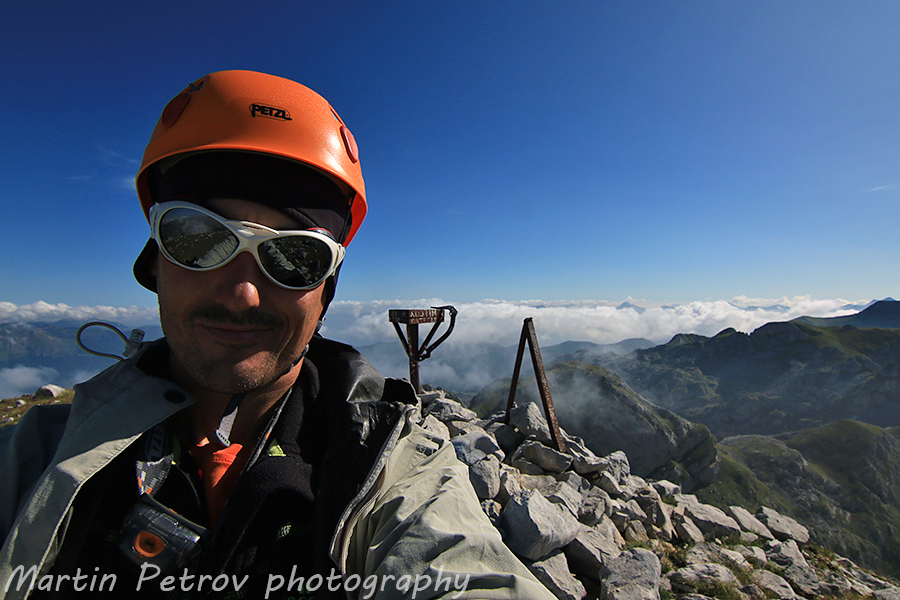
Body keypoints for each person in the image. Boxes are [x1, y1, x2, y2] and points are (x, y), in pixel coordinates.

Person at [0, 71, 554, 599]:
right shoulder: (36, 455)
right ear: (155, 260)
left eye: (295, 257)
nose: (242, 294)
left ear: (326, 289)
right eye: (198, 238)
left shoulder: (395, 466)